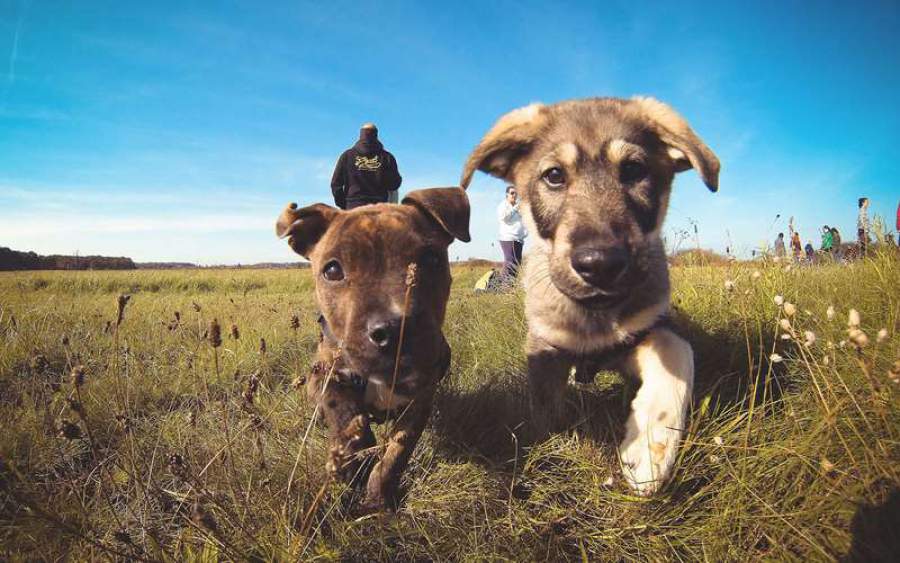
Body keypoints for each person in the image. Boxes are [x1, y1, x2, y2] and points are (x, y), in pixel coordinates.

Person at [330, 123, 402, 210]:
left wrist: (344, 204)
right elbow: (395, 184)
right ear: (376, 135)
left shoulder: (347, 156)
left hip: (353, 208)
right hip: (379, 210)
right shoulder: (387, 157)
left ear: (361, 134)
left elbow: (335, 184)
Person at [497, 185, 527, 283]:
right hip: (508, 238)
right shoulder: (503, 205)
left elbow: (524, 221)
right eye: (512, 193)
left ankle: (510, 286)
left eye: (516, 193)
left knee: (517, 262)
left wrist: (524, 234)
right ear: (507, 195)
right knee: (510, 261)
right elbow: (505, 217)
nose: (514, 195)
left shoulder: (519, 207)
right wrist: (515, 209)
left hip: (519, 239)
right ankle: (504, 287)